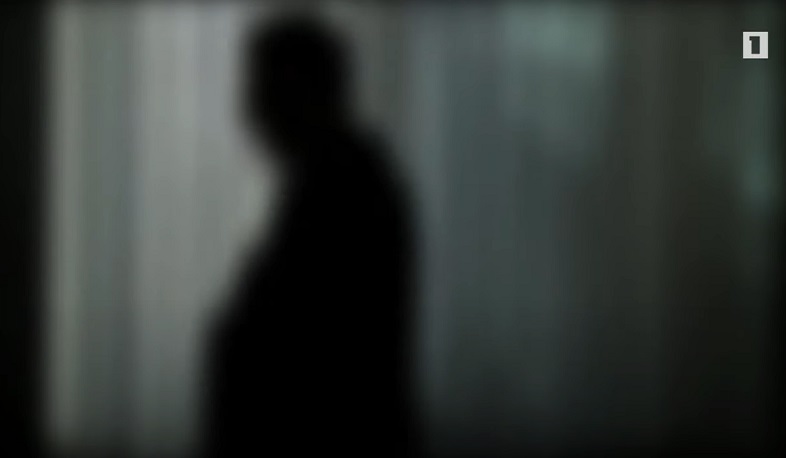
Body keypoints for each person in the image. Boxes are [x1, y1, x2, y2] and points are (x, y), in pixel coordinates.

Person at [203, 12, 419, 457]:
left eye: (262, 89)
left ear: (307, 93)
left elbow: (310, 352)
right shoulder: (331, 180)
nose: (248, 109)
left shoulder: (346, 191)